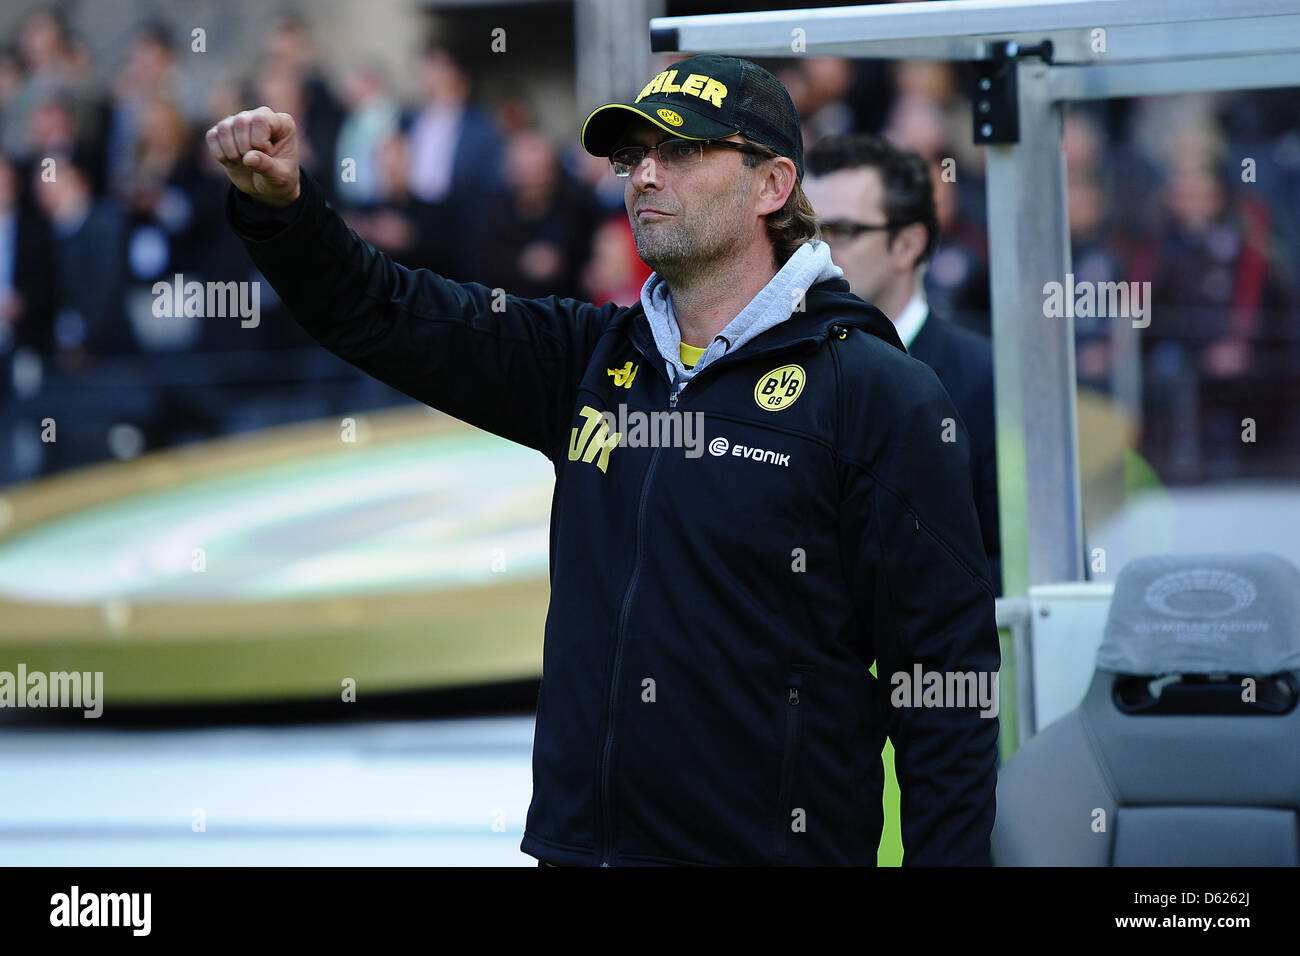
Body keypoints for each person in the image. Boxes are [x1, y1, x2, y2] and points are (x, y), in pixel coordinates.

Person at [207, 53, 999, 867]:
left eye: (683, 152)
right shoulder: (588, 357)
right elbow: (384, 311)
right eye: (634, 156)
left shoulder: (876, 390)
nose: (645, 175)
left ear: (771, 186)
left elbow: (945, 690)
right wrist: (285, 210)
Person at [805, 133, 1001, 596]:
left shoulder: (987, 380)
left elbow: (1024, 562)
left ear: (907, 244)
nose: (814, 252)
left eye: (843, 232)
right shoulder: (767, 369)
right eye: (805, 231)